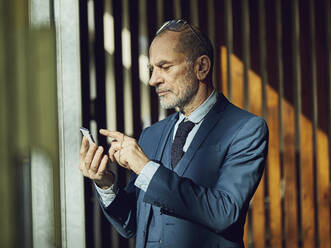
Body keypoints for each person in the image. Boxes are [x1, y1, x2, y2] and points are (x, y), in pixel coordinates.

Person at [79, 19, 268, 247]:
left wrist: (146, 168)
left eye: (165, 67)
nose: (153, 80)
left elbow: (224, 212)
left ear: (202, 67)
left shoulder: (246, 129)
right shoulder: (151, 135)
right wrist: (106, 182)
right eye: (152, 69)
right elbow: (131, 223)